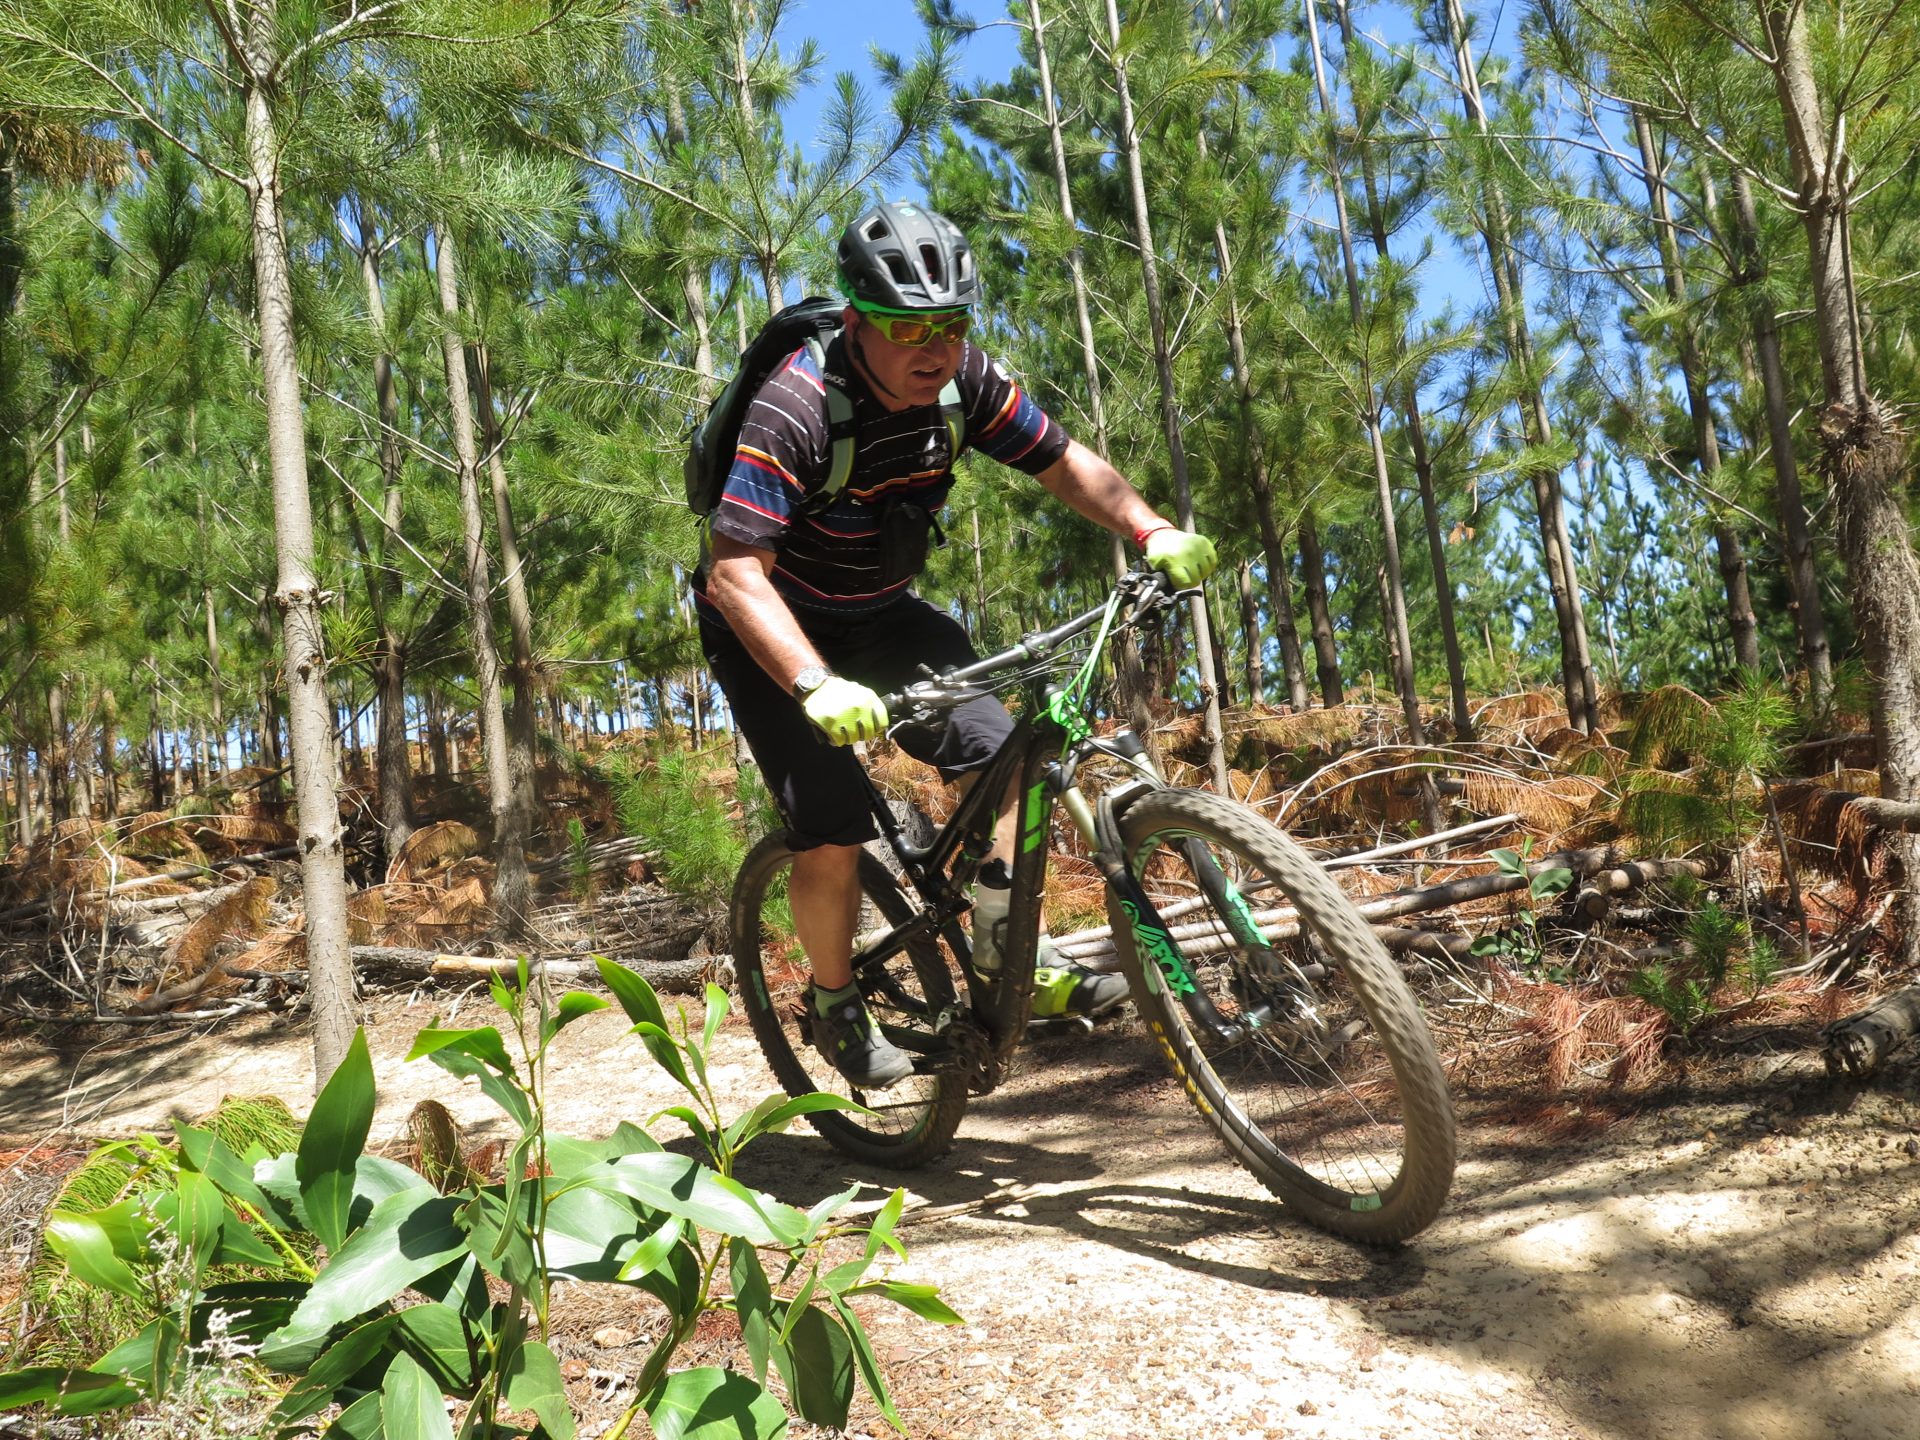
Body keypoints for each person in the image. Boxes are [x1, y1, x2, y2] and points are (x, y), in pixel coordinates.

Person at [696, 200, 1217, 1088]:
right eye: (908, 327)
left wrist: (1147, 527)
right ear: (859, 319)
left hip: (885, 613)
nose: (931, 346)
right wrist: (815, 683)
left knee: (1007, 758)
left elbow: (1061, 460)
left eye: (950, 323)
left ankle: (1001, 946)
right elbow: (734, 572)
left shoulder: (962, 382)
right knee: (830, 833)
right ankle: (834, 1004)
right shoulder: (795, 408)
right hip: (773, 626)